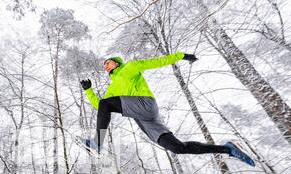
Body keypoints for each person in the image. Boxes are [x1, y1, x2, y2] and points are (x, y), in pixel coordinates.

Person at [77, 52, 255, 166]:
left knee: (106, 104)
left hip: (145, 104)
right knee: (178, 148)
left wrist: (181, 56)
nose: (105, 66)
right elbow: (100, 107)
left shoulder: (130, 67)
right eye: (104, 66)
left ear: (116, 62)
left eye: (108, 63)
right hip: (145, 119)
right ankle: (227, 149)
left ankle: (97, 143)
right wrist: (88, 91)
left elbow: (156, 61)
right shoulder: (113, 88)